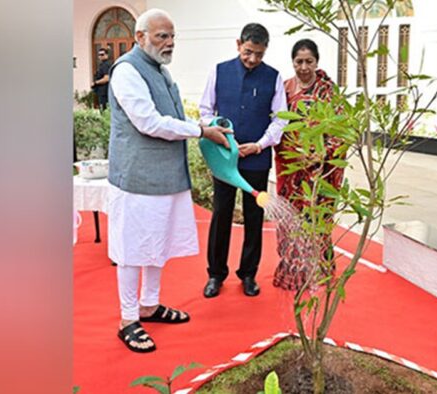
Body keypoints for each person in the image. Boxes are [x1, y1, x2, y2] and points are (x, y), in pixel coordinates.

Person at [107, 9, 231, 353]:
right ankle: (129, 318)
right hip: (136, 180)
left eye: (172, 36)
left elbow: (172, 116)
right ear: (139, 37)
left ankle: (150, 305)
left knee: (156, 244)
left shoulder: (160, 71)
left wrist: (202, 127)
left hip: (165, 178)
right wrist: (200, 130)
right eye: (162, 36)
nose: (170, 42)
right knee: (132, 250)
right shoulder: (127, 71)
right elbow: (149, 122)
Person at [199, 23, 288, 298]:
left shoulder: (273, 77)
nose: (252, 59)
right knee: (221, 214)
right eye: (248, 52)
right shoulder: (219, 71)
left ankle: (248, 274)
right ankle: (216, 274)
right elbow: (205, 110)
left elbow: (280, 120)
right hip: (224, 157)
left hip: (257, 160)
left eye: (259, 54)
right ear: (239, 44)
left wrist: (260, 145)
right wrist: (216, 135)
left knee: (254, 216)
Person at [273, 38, 345, 291]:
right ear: (292, 62)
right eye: (298, 61)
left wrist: (323, 154)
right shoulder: (284, 88)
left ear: (317, 62)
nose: (303, 67)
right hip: (290, 167)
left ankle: (318, 271)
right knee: (290, 218)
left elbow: (340, 129)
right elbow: (277, 122)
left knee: (317, 219)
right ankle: (292, 270)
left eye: (309, 61)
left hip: (320, 170)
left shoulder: (328, 90)